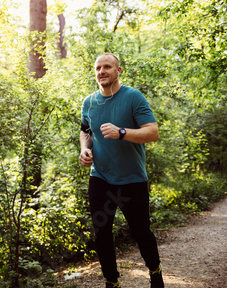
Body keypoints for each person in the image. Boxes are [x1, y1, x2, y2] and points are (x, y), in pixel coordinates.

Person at [79, 53, 165, 288]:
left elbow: (153, 132)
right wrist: (85, 150)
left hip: (131, 180)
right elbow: (85, 130)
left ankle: (155, 270)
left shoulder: (133, 97)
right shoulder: (89, 102)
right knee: (101, 232)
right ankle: (112, 281)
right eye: (98, 68)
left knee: (141, 233)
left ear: (119, 71)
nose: (101, 71)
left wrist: (123, 132)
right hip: (101, 178)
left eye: (107, 66)